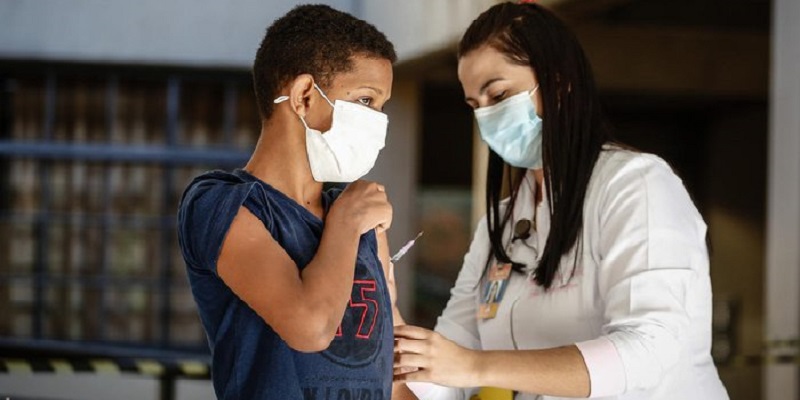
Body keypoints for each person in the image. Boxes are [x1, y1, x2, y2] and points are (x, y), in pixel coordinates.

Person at [393, 2, 729, 400]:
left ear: (559, 83)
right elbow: (447, 368)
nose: (486, 118)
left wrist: (475, 366)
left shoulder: (636, 185)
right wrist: (384, 318)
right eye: (474, 106)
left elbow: (648, 349)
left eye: (498, 94)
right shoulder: (501, 223)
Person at [177, 5, 402, 399]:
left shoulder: (357, 219)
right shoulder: (220, 201)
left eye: (383, 107)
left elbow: (385, 374)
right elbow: (310, 328)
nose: (378, 124)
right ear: (303, 96)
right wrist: (347, 223)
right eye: (366, 101)